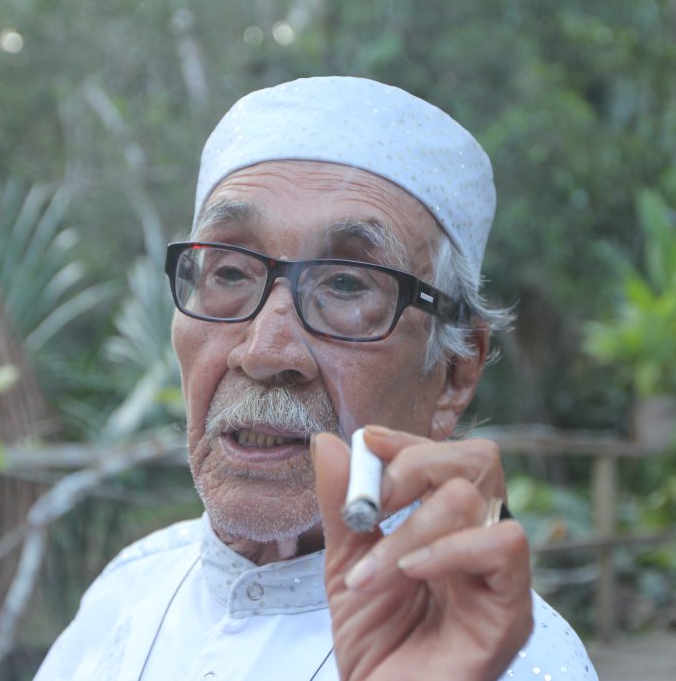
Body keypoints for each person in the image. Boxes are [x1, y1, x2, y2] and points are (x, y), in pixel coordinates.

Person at [35, 76, 598, 681]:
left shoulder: (510, 659)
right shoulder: (127, 594)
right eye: (228, 272)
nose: (265, 350)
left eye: (347, 284)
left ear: (454, 377)